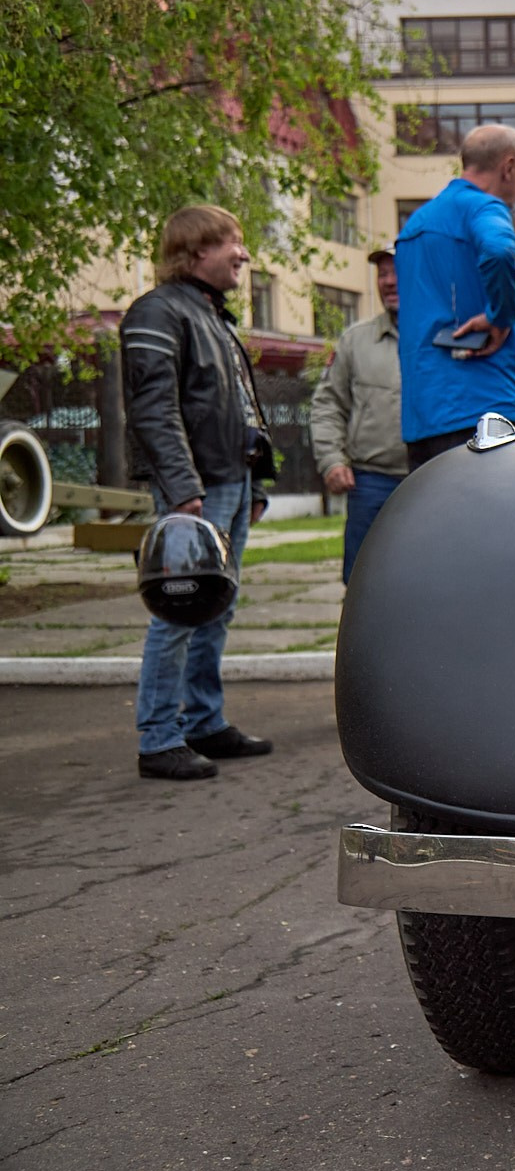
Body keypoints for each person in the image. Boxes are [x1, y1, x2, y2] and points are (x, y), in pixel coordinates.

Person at [120, 204, 278, 781]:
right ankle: (159, 738)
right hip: (197, 490)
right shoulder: (157, 313)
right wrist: (183, 490)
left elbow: (237, 407)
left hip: (230, 483)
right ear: (194, 252)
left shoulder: (213, 316)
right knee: (180, 609)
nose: (243, 253)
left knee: (216, 605)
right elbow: (153, 410)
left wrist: (255, 478)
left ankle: (204, 722)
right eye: (232, 243)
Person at [394, 124, 515, 468]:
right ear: (508, 167)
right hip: (490, 413)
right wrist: (500, 316)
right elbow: (500, 251)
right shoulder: (482, 209)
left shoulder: (415, 225)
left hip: (425, 419)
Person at [311, 244, 405, 582]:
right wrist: (332, 459)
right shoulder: (356, 341)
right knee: (363, 582)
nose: (389, 282)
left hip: (430, 479)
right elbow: (328, 404)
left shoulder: (445, 336)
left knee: (430, 577)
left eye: (397, 271)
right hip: (371, 481)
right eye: (382, 274)